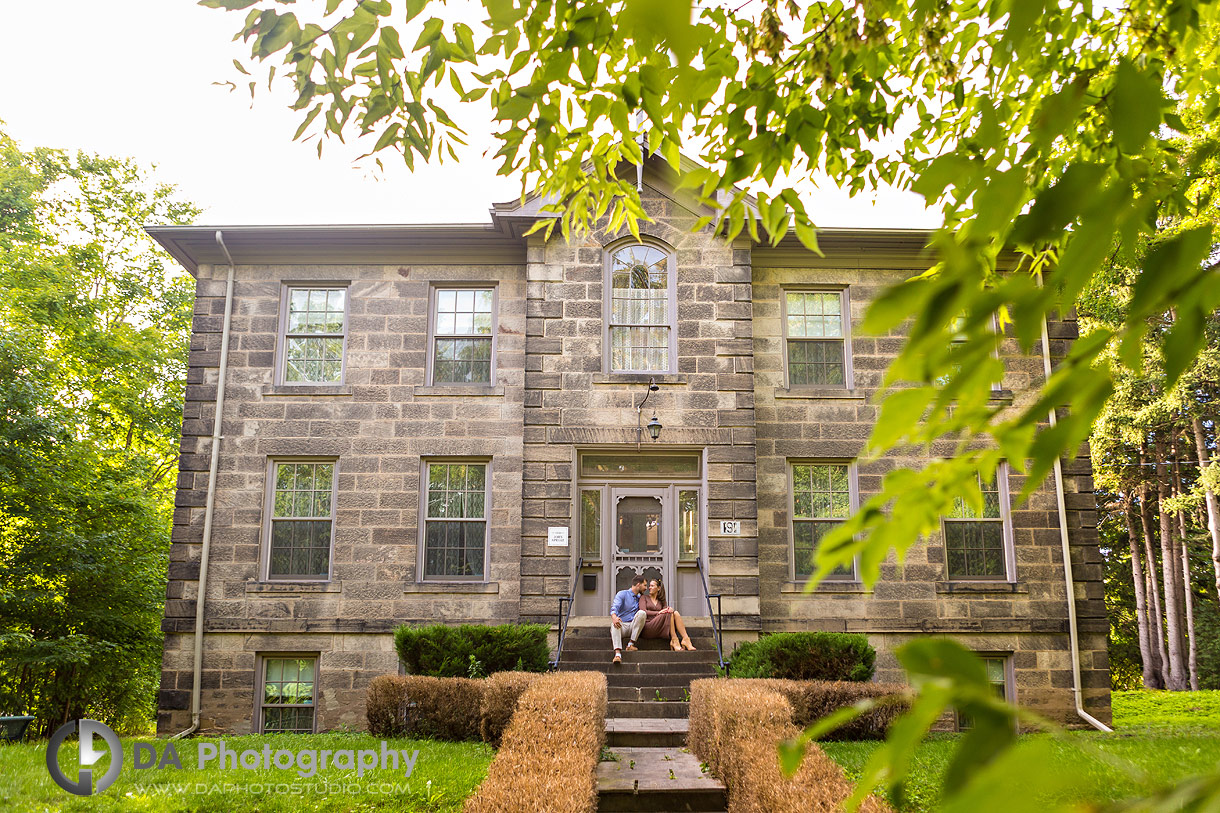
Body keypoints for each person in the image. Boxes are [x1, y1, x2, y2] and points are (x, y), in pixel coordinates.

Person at [641, 578, 696, 651]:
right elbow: (643, 611)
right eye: (649, 586)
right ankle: (674, 640)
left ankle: (686, 639)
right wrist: (659, 612)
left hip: (661, 627)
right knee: (668, 612)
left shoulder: (661, 601)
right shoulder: (644, 598)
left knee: (675, 613)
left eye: (652, 586)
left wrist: (669, 610)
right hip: (648, 627)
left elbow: (667, 612)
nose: (649, 587)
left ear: (658, 588)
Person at [609, 575, 648, 664]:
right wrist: (614, 617)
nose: (646, 588)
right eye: (645, 585)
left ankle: (630, 644)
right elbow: (615, 607)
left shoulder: (641, 598)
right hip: (622, 626)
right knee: (614, 624)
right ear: (638, 584)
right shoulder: (622, 594)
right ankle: (618, 654)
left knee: (642, 613)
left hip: (634, 627)